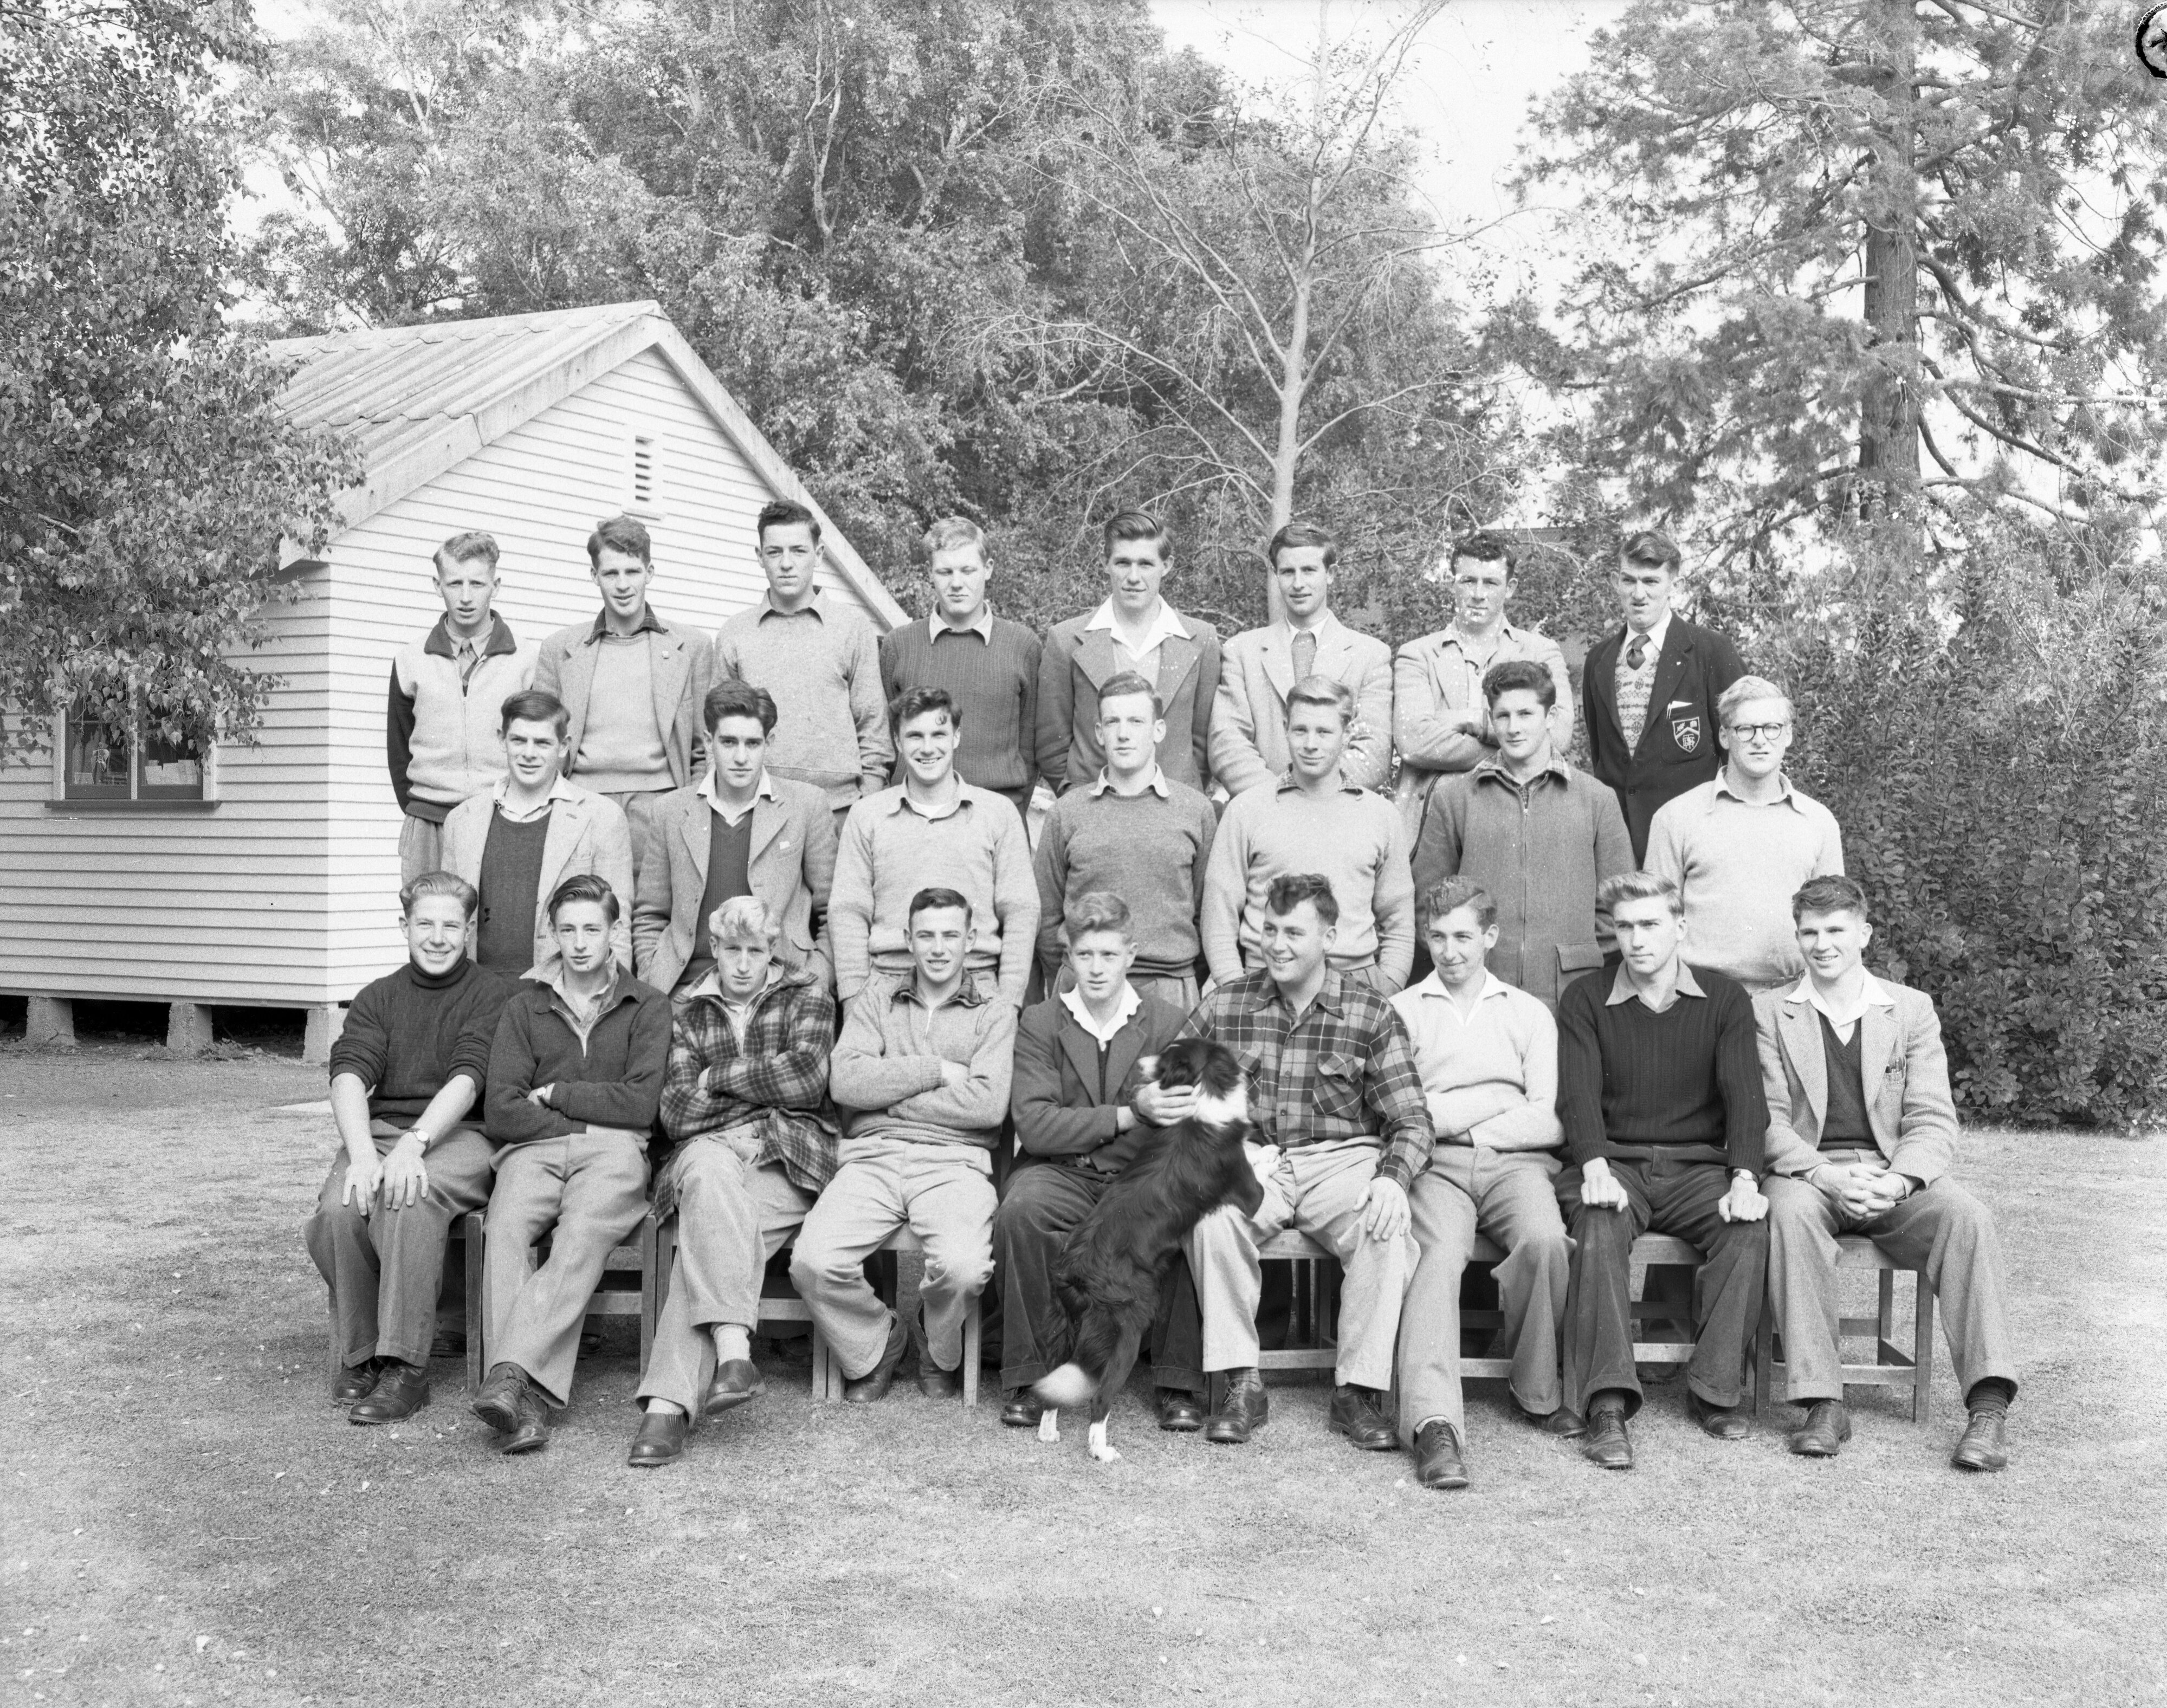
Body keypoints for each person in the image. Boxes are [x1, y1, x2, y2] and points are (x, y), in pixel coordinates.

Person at [1757, 876, 2017, 1471]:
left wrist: (1899, 1180)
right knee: (1787, 1212)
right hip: (1809, 1177)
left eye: (1835, 930)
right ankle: (1823, 1401)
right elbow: (1767, 1123)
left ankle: (1987, 1405)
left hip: (1892, 1177)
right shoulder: (1769, 1011)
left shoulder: (1910, 1009)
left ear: (1864, 933)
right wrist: (1823, 1174)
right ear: (1798, 937)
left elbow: (1932, 1119)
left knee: (1966, 1215)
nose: (1822, 944)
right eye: (1809, 932)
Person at [1180, 874, 1431, 1449]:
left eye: (1294, 931)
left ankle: (1358, 1390)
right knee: (1211, 1217)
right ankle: (1241, 1380)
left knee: (1383, 1224)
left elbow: (1413, 1120)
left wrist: (1393, 1180)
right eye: (1269, 929)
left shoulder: (1370, 1013)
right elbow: (1169, 1079)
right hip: (1254, 1160)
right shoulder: (1227, 1003)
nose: (1277, 944)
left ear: (1330, 936)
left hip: (1339, 1162)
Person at [1555, 871, 1769, 1471]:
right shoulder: (1586, 999)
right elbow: (1577, 1094)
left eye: (1649, 924)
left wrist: (1744, 1179)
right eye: (1624, 926)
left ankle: (1715, 1389)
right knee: (1597, 1226)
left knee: (1747, 1228)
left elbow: (1745, 1096)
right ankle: (1607, 1402)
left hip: (1696, 1167)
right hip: (1615, 1162)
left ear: (1679, 926)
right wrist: (1593, 1163)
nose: (1636, 939)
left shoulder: (1724, 1000)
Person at [626, 896, 844, 1468]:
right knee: (706, 1170)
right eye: (731, 951)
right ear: (714, 950)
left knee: (705, 1234)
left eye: (755, 950)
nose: (743, 964)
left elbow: (805, 1080)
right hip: (712, 1156)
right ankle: (730, 1352)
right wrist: (753, 1094)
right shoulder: (687, 1011)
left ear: (772, 950)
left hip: (785, 1156)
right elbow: (675, 1113)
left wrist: (716, 1078)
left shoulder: (808, 996)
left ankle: (667, 1407)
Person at [994, 892, 1209, 1432]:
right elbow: (1036, 1124)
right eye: (1084, 954)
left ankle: (1179, 1379)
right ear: (1067, 954)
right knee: (1022, 1208)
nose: (1096, 968)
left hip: (1138, 1177)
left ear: (1131, 954)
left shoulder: (1167, 1021)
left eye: (1108, 955)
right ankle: (1030, 1374)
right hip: (1061, 1170)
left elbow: (1187, 1119)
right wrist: (1128, 1114)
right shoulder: (1042, 1021)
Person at [471, 874, 671, 1454]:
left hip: (615, 1153)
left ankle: (509, 1376)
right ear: (552, 934)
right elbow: (502, 1111)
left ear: (614, 930)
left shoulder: (648, 1006)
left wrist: (557, 1093)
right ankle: (522, 1399)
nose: (580, 942)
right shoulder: (523, 1006)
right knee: (505, 1228)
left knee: (581, 1235)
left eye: (592, 928)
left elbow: (642, 1104)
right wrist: (589, 1117)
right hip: (531, 1149)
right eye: (568, 929)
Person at [791, 888, 1015, 1401]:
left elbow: (986, 1107)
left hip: (955, 1163)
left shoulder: (995, 1011)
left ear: (971, 941)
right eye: (927, 936)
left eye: (951, 936)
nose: (938, 948)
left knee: (962, 1268)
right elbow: (845, 1084)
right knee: (813, 1262)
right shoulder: (875, 998)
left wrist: (886, 1098)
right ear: (909, 940)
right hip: (872, 1159)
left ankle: (938, 1349)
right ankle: (879, 1341)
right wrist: (935, 1071)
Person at [306, 872, 512, 1425]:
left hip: (461, 1132)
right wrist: (365, 1153)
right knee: (339, 1208)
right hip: (381, 1132)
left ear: (469, 930)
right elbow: (348, 1072)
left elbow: (470, 1075)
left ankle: (406, 1366)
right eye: (426, 923)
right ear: (405, 926)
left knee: (408, 1195)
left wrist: (415, 1144)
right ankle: (362, 1351)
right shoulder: (379, 996)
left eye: (451, 924)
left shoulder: (492, 993)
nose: (438, 936)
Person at [1390, 878, 1572, 1490]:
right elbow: (1404, 1114)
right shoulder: (1404, 1010)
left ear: (1490, 937)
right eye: (1437, 936)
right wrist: (1494, 1099)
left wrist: (1457, 1113)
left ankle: (1536, 1387)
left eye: (1464, 935)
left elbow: (1548, 1117)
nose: (1450, 950)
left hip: (1515, 1162)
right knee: (1437, 1256)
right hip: (1435, 1165)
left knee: (1545, 1240)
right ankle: (1433, 1422)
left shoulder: (1527, 1012)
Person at [1410, 659, 1632, 1008]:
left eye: (1526, 714)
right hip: (1480, 991)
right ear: (1492, 718)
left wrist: (1580, 957)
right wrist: (1469, 956)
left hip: (1572, 995)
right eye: (1503, 716)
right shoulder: (1455, 798)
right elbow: (1428, 903)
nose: (1514, 728)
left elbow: (1619, 904)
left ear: (1551, 717)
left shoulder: (1597, 799)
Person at [1202, 677, 1413, 995]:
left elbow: (1399, 917)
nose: (1310, 744)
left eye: (1324, 732)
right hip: (1266, 979)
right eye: (1300, 730)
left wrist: (1388, 985)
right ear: (1285, 728)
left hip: (1356, 983)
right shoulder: (1247, 809)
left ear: (1347, 734)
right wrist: (1235, 991)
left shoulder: (1380, 815)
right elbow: (1219, 917)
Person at [829, 687, 1038, 1006]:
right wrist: (856, 1000)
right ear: (898, 742)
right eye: (915, 737)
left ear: (956, 737)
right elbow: (847, 911)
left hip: (978, 985)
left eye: (939, 735)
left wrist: (1008, 1001)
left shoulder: (998, 814)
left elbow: (1022, 911)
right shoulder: (867, 815)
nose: (928, 749)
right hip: (887, 987)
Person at [632, 682, 838, 999]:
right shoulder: (671, 811)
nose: (741, 757)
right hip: (686, 988)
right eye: (729, 742)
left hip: (781, 987)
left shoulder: (806, 806)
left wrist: (817, 979)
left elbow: (832, 910)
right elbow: (650, 914)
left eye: (753, 744)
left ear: (769, 742)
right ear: (708, 740)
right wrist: (652, 977)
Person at [1645, 677, 1844, 994]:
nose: (1759, 740)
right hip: (1700, 999)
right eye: (1745, 729)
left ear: (1789, 734)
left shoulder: (1819, 822)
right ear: (1725, 736)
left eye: (1772, 728)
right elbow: (1653, 924)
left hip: (1794, 999)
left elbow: (1835, 925)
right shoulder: (1676, 818)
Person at [1032, 671, 1218, 1008]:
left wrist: (1182, 979)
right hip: (1084, 986)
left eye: (1135, 721)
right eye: (1112, 722)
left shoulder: (1195, 810)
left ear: (1158, 730)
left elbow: (1206, 913)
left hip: (1168, 986)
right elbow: (1047, 916)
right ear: (1100, 734)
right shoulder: (1067, 811)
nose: (1123, 734)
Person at [532, 514, 714, 859]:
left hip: (661, 803)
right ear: (594, 576)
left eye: (632, 572)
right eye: (610, 573)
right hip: (581, 801)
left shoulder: (692, 647)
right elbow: (542, 741)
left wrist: (689, 806)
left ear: (650, 573)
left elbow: (703, 746)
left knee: (653, 908)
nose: (623, 585)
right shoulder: (560, 648)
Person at [714, 499, 891, 826]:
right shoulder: (735, 632)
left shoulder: (852, 628)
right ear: (759, 557)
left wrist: (869, 804)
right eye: (774, 552)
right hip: (758, 809)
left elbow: (873, 725)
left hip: (840, 809)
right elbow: (717, 729)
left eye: (798, 551)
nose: (786, 564)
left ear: (819, 555)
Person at [1391, 530, 1574, 839]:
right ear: (1453, 583)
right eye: (1468, 581)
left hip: (1519, 817)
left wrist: (1470, 721)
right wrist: (1517, 746)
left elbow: (1558, 735)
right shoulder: (1417, 653)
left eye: (1491, 583)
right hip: (1432, 821)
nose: (1478, 594)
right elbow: (1412, 741)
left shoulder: (1540, 652)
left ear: (1510, 588)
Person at [441, 690, 634, 979]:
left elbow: (617, 926)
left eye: (542, 743)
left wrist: (613, 1002)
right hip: (479, 995)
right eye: (519, 740)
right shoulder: (462, 820)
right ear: (501, 739)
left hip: (563, 993)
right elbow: (449, 920)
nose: (529, 754)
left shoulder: (602, 817)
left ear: (563, 746)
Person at [1580, 530, 1747, 863]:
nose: (1638, 594)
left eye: (1651, 581)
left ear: (1674, 583)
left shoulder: (1710, 651)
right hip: (1617, 843)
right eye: (1629, 580)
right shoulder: (1598, 660)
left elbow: (1741, 748)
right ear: (1617, 582)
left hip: (1690, 841)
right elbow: (1602, 757)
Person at [386, 530, 536, 883]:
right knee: (432, 930)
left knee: (496, 931)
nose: (466, 597)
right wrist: (420, 808)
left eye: (477, 584)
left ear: (495, 585)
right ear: (437, 585)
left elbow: (537, 745)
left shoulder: (527, 661)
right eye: (455, 584)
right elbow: (399, 747)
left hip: (502, 818)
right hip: (428, 823)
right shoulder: (411, 661)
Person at [1037, 510, 1222, 795]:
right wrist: (1077, 799)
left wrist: (1185, 799)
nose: (1133, 577)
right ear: (1105, 564)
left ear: (1167, 565)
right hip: (1092, 807)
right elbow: (1052, 743)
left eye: (1146, 564)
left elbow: (1203, 741)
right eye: (1123, 563)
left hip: (1173, 809)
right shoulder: (1066, 640)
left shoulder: (1201, 639)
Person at [1209, 519, 1393, 796]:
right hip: (1264, 812)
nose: (1298, 584)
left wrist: (1318, 796)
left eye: (1309, 571)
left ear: (1330, 573)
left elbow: (1373, 750)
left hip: (1339, 816)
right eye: (1287, 572)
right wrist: (1276, 797)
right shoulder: (1242, 651)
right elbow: (1228, 742)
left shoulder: (1370, 654)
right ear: (1275, 575)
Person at [878, 517, 1041, 818]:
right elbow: (886, 741)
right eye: (945, 572)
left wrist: (1010, 811)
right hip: (913, 815)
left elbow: (1031, 748)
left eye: (968, 571)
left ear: (988, 568)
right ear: (930, 573)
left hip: (996, 813)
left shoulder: (1023, 645)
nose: (956, 583)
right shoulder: (899, 645)